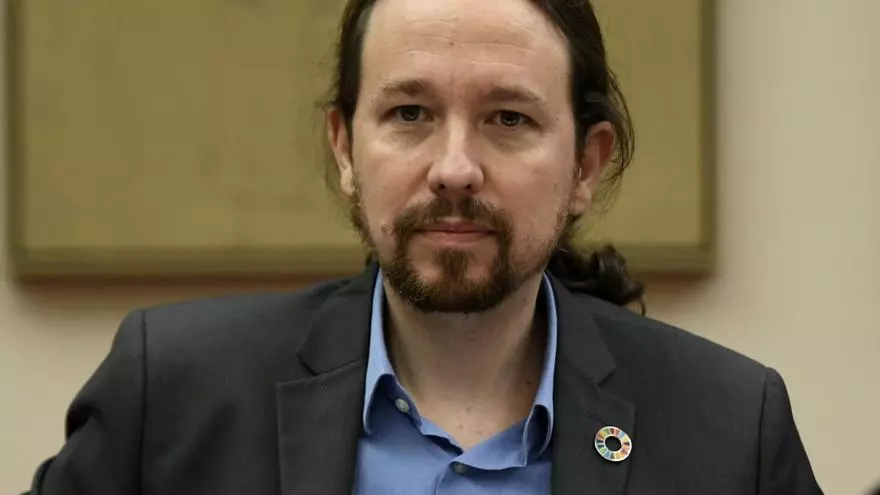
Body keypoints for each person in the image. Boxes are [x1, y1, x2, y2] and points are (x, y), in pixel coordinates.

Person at [26, 0, 822, 493]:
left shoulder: (730, 431)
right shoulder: (171, 397)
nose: (454, 168)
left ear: (587, 164)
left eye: (509, 118)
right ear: (344, 148)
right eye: (409, 113)